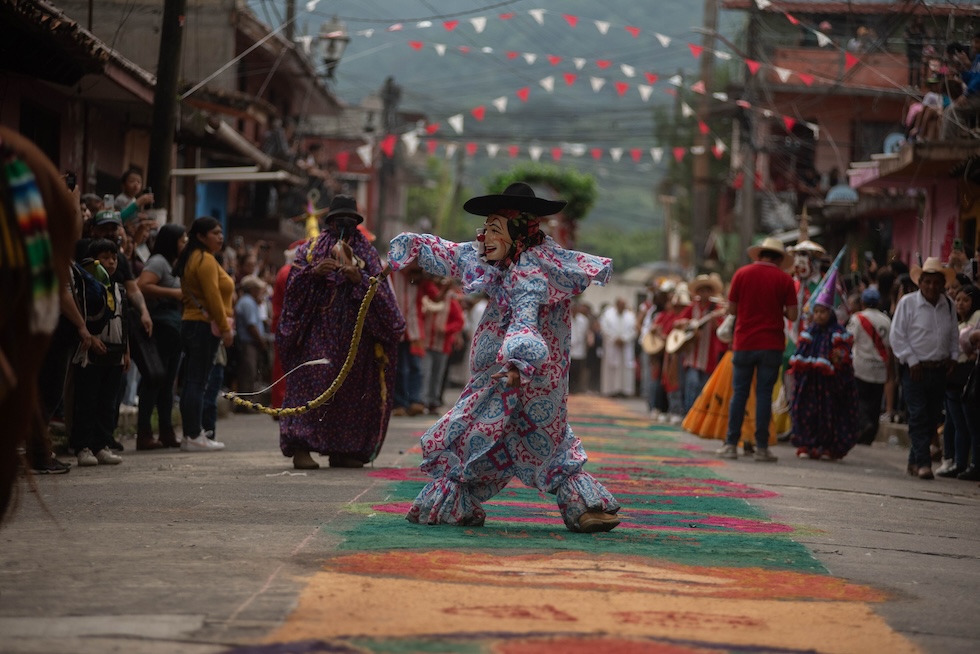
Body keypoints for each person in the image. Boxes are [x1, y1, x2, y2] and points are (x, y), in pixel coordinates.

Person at [388, 182, 621, 533]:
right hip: (507, 373)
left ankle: (452, 501)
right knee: (533, 437)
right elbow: (455, 253)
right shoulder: (502, 255)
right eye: (486, 228)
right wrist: (412, 247)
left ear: (518, 229)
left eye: (494, 229)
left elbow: (525, 319)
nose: (483, 237)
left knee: (477, 431)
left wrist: (517, 363)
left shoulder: (529, 268)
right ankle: (583, 504)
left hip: (519, 374)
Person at [276, 195, 405, 469]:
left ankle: (344, 449)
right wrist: (314, 273)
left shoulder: (368, 253)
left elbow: (383, 297)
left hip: (356, 342)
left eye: (350, 221)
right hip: (317, 337)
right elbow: (293, 290)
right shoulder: (310, 250)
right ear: (330, 221)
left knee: (351, 392)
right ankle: (301, 447)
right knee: (312, 383)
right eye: (339, 220)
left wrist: (360, 280)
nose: (344, 225)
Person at [717, 237, 798, 462]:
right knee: (764, 395)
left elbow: (732, 309)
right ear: (779, 258)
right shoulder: (785, 280)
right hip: (772, 345)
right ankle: (762, 448)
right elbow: (793, 315)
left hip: (744, 343)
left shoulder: (742, 274)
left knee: (740, 393)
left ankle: (731, 444)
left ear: (760, 254)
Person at [890, 258, 959, 480]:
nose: (931, 287)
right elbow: (897, 336)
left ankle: (913, 460)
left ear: (941, 284)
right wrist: (911, 360)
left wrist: (953, 357)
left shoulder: (948, 304)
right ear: (920, 282)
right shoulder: (908, 303)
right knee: (918, 415)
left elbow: (954, 335)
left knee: (931, 418)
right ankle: (923, 463)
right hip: (914, 369)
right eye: (927, 282)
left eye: (936, 282)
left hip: (939, 369)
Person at [173, 217, 234, 452]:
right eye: (215, 233)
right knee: (198, 382)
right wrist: (226, 329)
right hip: (203, 326)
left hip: (191, 323)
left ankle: (191, 435)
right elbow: (213, 298)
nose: (220, 237)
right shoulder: (205, 260)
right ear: (200, 236)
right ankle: (194, 434)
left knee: (192, 382)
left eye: (221, 232)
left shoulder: (192, 258)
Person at [789, 270, 860, 460]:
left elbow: (843, 358)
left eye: (823, 312)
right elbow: (800, 355)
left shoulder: (838, 333)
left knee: (831, 414)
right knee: (806, 412)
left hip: (831, 386)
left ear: (831, 312)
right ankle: (808, 443)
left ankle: (828, 446)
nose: (819, 316)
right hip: (810, 383)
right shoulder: (809, 333)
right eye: (817, 312)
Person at [70, 240, 128, 467]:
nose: (111, 262)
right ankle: (82, 446)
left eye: (114, 257)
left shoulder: (118, 287)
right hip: (90, 352)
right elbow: (80, 317)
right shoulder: (86, 287)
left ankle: (101, 444)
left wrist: (126, 351)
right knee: (87, 400)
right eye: (105, 258)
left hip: (115, 352)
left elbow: (125, 321)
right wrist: (91, 339)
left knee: (108, 402)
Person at [135, 223, 187, 449]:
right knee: (154, 380)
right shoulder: (158, 262)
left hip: (174, 330)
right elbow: (141, 285)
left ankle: (166, 430)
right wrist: (175, 292)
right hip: (161, 328)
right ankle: (144, 432)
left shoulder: (173, 265)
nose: (184, 244)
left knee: (168, 384)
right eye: (182, 240)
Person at [937, 284, 980, 479]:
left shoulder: (976, 317)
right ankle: (957, 461)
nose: (960, 304)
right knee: (954, 422)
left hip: (967, 377)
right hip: (954, 378)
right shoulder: (956, 321)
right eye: (958, 299)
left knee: (968, 424)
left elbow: (968, 342)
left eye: (966, 300)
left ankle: (969, 463)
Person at [675, 274, 727, 414]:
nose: (705, 294)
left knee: (704, 387)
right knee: (692, 383)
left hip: (709, 355)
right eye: (702, 290)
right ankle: (688, 413)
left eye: (707, 290)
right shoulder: (692, 307)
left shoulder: (717, 309)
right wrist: (684, 324)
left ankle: (699, 414)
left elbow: (722, 331)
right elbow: (678, 322)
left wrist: (714, 320)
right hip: (692, 354)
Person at [846, 287, 892, 446]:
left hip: (861, 366)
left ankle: (865, 425)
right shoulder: (886, 320)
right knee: (875, 402)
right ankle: (870, 434)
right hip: (880, 367)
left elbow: (849, 339)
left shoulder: (857, 318)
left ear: (863, 302)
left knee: (859, 400)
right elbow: (889, 346)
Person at [235, 274, 271, 403]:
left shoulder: (250, 301)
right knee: (248, 372)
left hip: (249, 343)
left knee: (251, 371)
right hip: (248, 343)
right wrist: (260, 340)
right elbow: (251, 325)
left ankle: (247, 400)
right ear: (251, 289)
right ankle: (245, 401)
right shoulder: (248, 302)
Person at [599, 297, 636, 398]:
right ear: (616, 305)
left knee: (626, 369)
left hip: (625, 346)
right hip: (612, 345)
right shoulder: (608, 314)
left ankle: (625, 391)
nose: (621, 307)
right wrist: (614, 339)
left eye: (623, 305)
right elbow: (604, 328)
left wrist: (624, 339)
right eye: (620, 305)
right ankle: (610, 390)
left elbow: (633, 330)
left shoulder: (630, 316)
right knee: (611, 367)